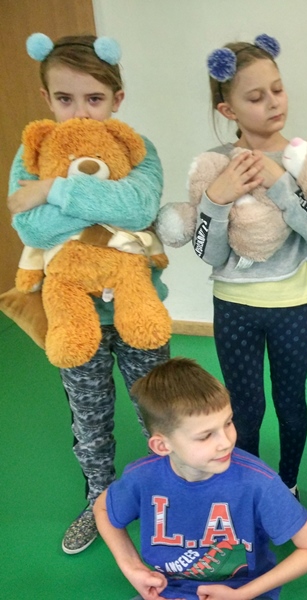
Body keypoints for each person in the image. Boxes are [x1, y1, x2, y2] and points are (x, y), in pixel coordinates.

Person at [7, 33, 170, 554]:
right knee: (90, 417)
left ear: (117, 99)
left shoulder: (136, 148)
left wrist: (53, 189)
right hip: (72, 313)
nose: (80, 112)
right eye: (65, 99)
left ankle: (171, 490)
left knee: (160, 408)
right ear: (46, 99)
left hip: (137, 304)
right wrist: (102, 199)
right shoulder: (32, 152)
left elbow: (138, 209)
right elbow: (31, 228)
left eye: (94, 98)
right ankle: (100, 501)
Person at [193, 35, 307, 496]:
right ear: (228, 109)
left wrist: (282, 185)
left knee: (290, 403)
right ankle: (247, 488)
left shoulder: (305, 160)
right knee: (244, 409)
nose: (273, 103)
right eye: (255, 97)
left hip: (292, 304)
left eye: (277, 89)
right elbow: (208, 253)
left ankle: (288, 485)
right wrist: (216, 200)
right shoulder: (215, 164)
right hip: (234, 305)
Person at [93, 357, 307, 600]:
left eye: (228, 423)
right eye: (206, 436)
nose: (226, 442)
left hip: (243, 592)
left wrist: (243, 594)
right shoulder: (141, 478)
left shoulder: (258, 482)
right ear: (162, 446)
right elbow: (102, 508)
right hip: (169, 590)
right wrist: (132, 567)